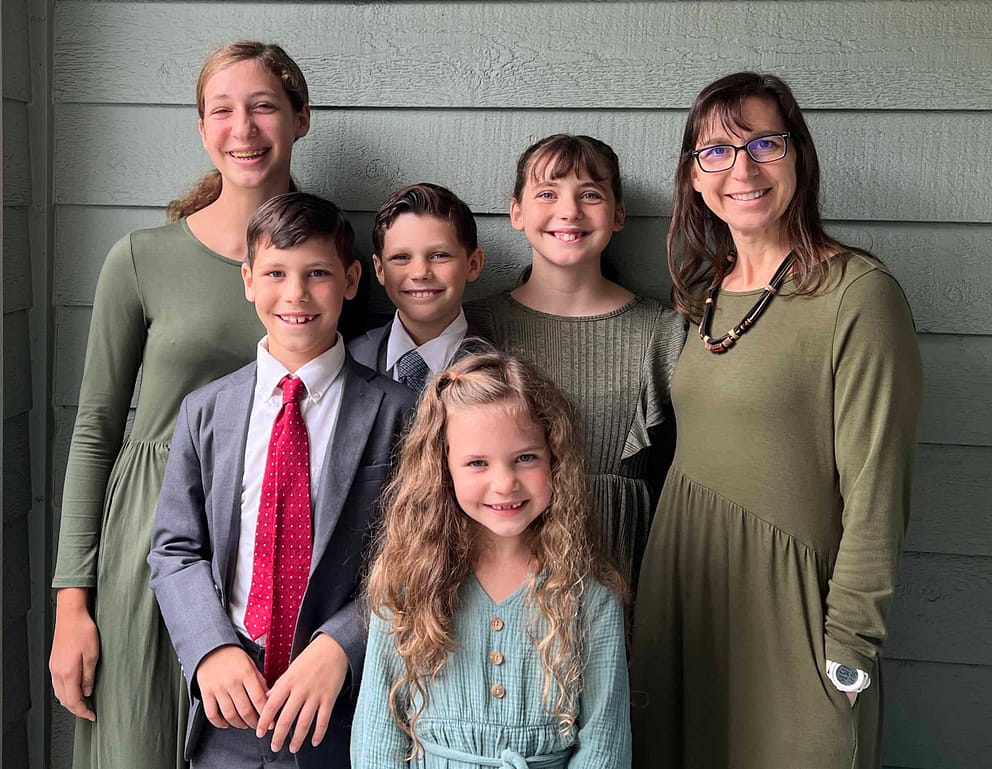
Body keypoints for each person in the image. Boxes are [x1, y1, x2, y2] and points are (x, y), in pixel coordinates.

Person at [629, 72, 924, 769]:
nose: (743, 168)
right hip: (686, 603)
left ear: (799, 156)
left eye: (765, 143)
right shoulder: (700, 296)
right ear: (694, 176)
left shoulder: (858, 294)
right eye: (717, 151)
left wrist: (850, 643)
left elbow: (877, 489)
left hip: (795, 616)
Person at [48, 41, 312, 769]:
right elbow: (96, 428)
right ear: (202, 129)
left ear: (300, 119)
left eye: (263, 107)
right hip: (148, 539)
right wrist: (73, 602)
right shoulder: (141, 258)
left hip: (273, 542)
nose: (243, 128)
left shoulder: (322, 262)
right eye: (222, 110)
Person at [148, 192, 415, 768]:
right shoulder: (205, 411)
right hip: (229, 707)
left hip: (341, 709)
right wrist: (210, 648)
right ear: (248, 280)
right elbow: (175, 550)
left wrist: (342, 645)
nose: (296, 294)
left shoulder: (400, 412)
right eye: (275, 273)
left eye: (317, 273)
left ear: (350, 280)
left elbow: (416, 559)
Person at [351, 351, 631, 768]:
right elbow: (377, 739)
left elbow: (605, 747)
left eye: (525, 458)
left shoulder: (589, 598)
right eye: (477, 463)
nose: (504, 483)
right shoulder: (408, 586)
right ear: (443, 470)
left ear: (555, 459)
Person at [465, 135, 686, 593]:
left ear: (618, 214)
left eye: (590, 195)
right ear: (517, 213)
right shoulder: (478, 328)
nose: (569, 211)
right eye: (548, 193)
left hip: (627, 568)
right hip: (504, 577)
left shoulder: (663, 333)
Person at [348, 182, 485, 392]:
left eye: (439, 255)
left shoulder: (500, 369)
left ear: (473, 264)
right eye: (401, 257)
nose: (420, 273)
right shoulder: (349, 359)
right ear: (380, 269)